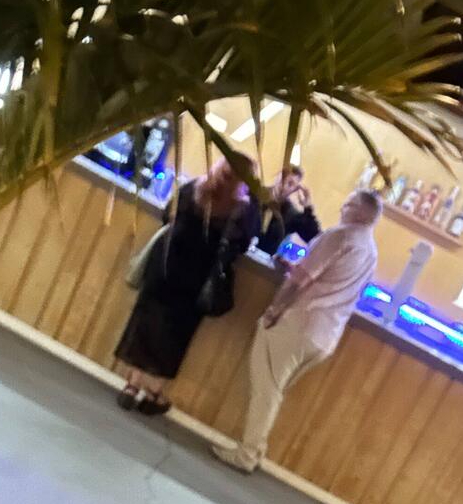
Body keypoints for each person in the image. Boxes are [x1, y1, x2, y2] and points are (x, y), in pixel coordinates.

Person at [213, 189, 380, 474]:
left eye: (349, 203)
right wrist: (294, 269)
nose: (343, 206)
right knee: (275, 391)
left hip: (299, 323)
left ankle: (247, 453)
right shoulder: (371, 251)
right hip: (326, 336)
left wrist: (274, 309)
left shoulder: (339, 236)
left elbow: (300, 281)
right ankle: (255, 450)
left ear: (362, 212)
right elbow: (330, 281)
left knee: (266, 389)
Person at [115, 154, 259, 417]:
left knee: (145, 322)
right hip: (196, 278)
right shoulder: (242, 210)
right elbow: (239, 247)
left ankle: (132, 386)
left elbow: (166, 215)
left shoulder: (194, 187)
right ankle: (154, 392)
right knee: (175, 337)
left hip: (164, 264)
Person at [257, 165, 321, 257]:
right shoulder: (257, 194)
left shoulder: (290, 213)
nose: (283, 185)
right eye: (282, 178)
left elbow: (314, 237)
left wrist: (308, 207)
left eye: (290, 184)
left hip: (263, 260)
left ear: (295, 189)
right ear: (277, 177)